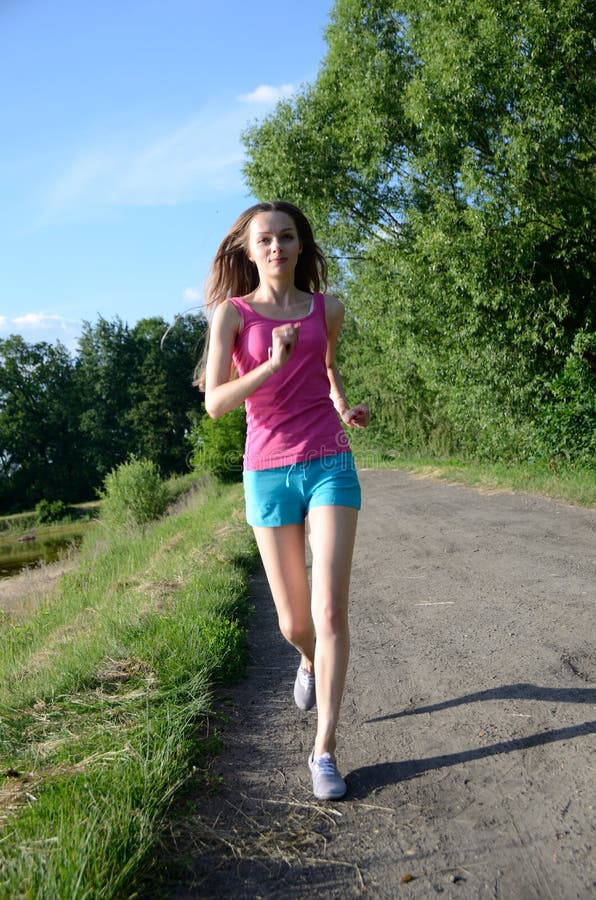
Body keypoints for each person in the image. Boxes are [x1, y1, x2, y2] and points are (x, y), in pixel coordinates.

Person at [200, 200, 370, 800]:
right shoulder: (233, 316)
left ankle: (323, 751)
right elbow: (216, 403)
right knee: (294, 623)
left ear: (302, 246)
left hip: (328, 463)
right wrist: (271, 366)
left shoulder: (329, 309)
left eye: (288, 237)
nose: (277, 247)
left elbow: (326, 369)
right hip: (267, 471)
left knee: (329, 614)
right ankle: (307, 662)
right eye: (265, 239)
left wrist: (344, 406)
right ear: (249, 251)